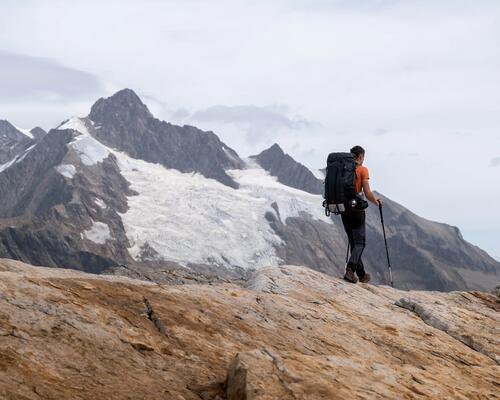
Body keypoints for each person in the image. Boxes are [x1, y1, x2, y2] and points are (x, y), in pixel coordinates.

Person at [342, 145, 382, 283]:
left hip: (344, 210)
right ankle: (350, 269)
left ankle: (362, 274)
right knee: (360, 243)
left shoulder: (342, 169)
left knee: (354, 243)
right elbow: (368, 192)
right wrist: (376, 201)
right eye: (363, 157)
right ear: (360, 157)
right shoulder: (363, 170)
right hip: (357, 210)